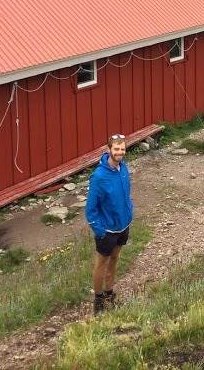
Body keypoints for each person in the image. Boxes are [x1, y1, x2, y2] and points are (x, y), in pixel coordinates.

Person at [86, 133, 133, 314]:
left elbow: (127, 193)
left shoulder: (124, 169)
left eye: (122, 149)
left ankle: (109, 295)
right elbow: (90, 209)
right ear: (109, 150)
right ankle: (98, 302)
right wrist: (99, 231)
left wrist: (130, 211)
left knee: (115, 259)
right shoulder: (98, 177)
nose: (120, 152)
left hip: (123, 226)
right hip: (106, 230)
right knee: (101, 264)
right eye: (116, 149)